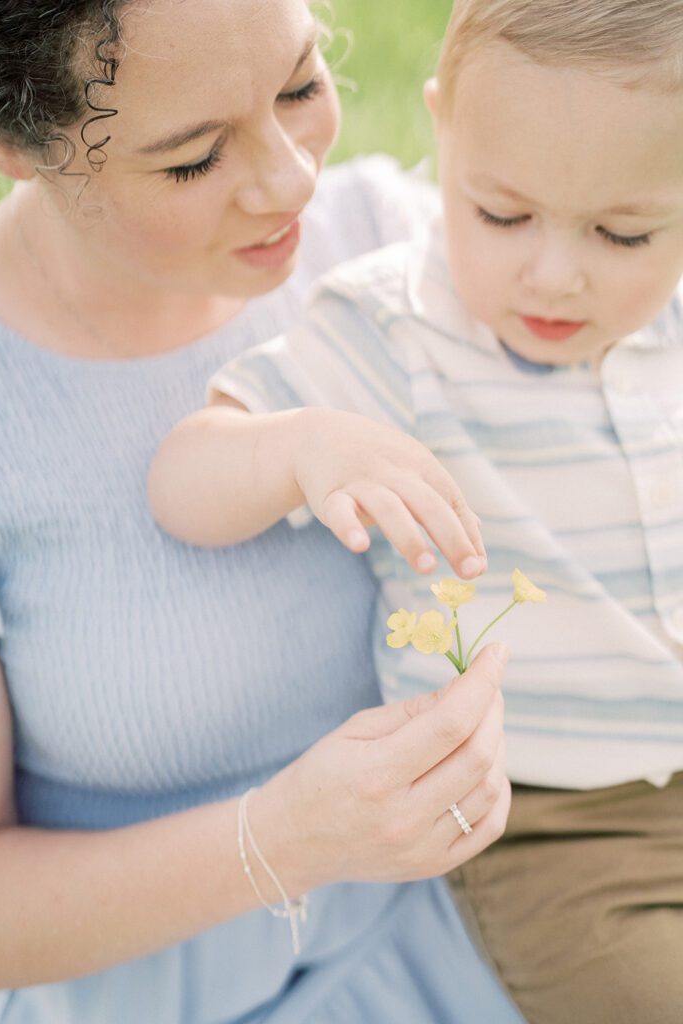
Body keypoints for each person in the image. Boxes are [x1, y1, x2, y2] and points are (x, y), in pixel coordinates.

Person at [0, 2, 525, 1023]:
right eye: (193, 158)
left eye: (300, 83)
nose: (293, 179)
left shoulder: (392, 245)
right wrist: (284, 839)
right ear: (7, 143)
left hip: (453, 953)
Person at [150, 1, 683, 1022]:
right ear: (444, 131)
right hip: (550, 821)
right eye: (503, 214)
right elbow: (184, 477)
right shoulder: (394, 328)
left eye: (625, 231)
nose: (556, 271)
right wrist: (302, 447)